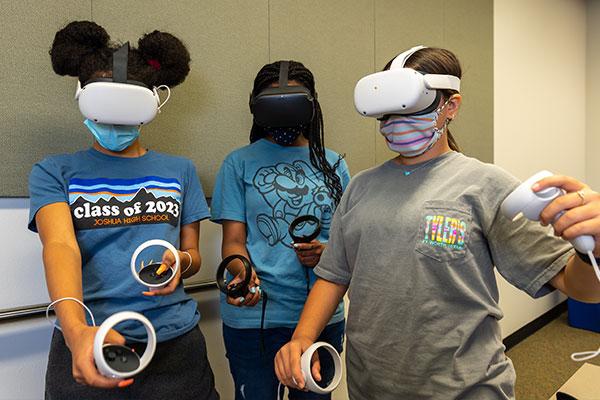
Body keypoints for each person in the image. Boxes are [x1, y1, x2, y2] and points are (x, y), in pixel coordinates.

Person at [275, 46, 600, 400]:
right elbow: (333, 275)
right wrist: (302, 338)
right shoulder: (360, 188)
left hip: (464, 389)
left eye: (410, 108)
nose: (395, 122)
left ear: (451, 107)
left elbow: (580, 287)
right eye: (387, 112)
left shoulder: (485, 185)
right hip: (371, 385)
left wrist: (591, 249)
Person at [30, 21, 219, 399]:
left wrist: (178, 260)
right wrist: (76, 331)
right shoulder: (54, 171)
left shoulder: (179, 170)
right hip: (89, 340)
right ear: (83, 96)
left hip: (175, 346)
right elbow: (61, 247)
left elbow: (193, 255)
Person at [210, 60, 350, 400]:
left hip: (321, 316)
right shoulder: (238, 163)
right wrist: (241, 272)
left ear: (310, 105)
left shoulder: (333, 164)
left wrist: (326, 253)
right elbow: (233, 241)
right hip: (255, 319)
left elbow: (348, 245)